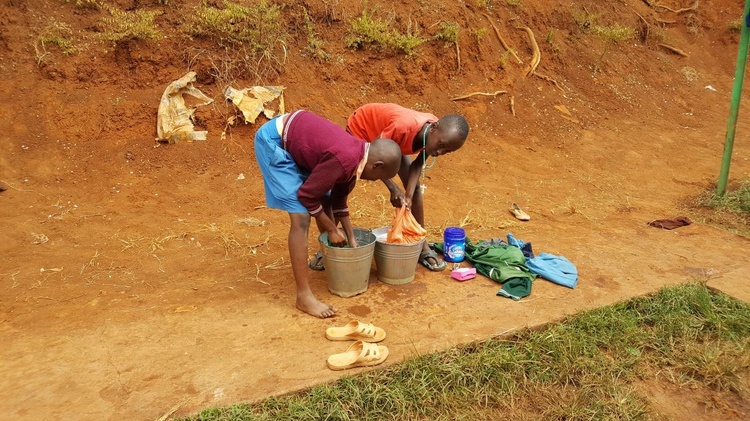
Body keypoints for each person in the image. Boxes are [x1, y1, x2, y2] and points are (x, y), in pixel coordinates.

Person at [254, 109, 402, 318]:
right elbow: (307, 196)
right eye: (379, 177)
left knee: (326, 198)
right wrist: (333, 229)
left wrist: (351, 238)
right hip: (274, 141)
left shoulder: (358, 159)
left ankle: (331, 255)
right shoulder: (344, 160)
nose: (375, 181)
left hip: (299, 138)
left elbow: (339, 200)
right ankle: (303, 297)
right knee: (301, 217)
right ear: (376, 165)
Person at [327, 103, 469, 272]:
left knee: (415, 189)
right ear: (434, 128)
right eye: (441, 146)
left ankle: (421, 245)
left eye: (447, 151)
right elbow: (377, 161)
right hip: (363, 129)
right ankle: (329, 242)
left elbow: (416, 166)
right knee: (345, 185)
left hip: (393, 141)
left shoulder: (434, 135)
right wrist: (393, 188)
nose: (440, 153)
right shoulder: (403, 126)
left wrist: (407, 197)